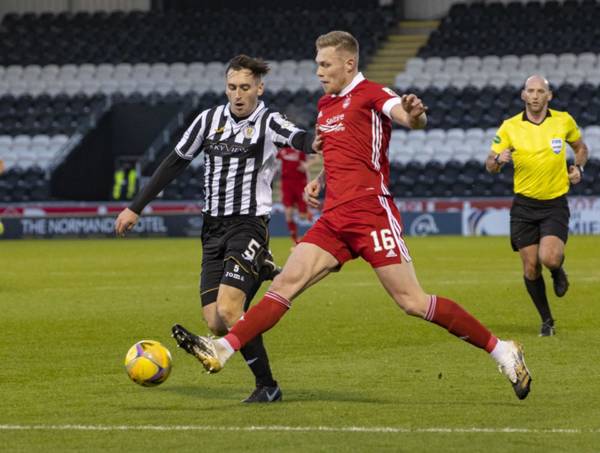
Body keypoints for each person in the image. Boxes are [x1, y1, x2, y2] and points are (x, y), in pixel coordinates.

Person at [172, 31, 532, 400]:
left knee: (412, 301)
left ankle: (501, 349)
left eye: (325, 64)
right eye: (317, 64)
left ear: (348, 64)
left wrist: (414, 114)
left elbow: (405, 117)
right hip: (333, 218)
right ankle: (223, 348)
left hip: (370, 212)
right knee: (285, 284)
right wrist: (321, 180)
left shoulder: (373, 94)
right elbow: (344, 151)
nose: (318, 71)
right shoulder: (326, 105)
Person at [115, 54, 317, 403]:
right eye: (231, 87)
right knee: (215, 322)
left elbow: (300, 138)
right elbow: (175, 161)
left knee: (228, 309)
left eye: (244, 88)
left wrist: (324, 139)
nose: (237, 95)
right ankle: (261, 268)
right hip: (212, 230)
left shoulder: (269, 121)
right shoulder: (208, 119)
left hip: (248, 225)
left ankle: (267, 386)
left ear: (259, 88)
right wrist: (135, 207)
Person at [486, 75, 589, 337]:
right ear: (523, 95)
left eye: (539, 91)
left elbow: (580, 148)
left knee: (549, 257)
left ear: (549, 95)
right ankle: (546, 320)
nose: (534, 95)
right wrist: (499, 159)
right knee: (531, 266)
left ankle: (557, 270)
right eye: (530, 91)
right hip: (524, 206)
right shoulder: (509, 127)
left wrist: (578, 168)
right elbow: (490, 165)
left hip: (554, 203)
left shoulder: (563, 120)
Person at [276, 146, 315, 244]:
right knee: (288, 213)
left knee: (302, 216)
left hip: (300, 183)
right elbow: (276, 162)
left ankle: (307, 213)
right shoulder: (282, 151)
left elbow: (315, 156)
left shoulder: (300, 147)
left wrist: (307, 165)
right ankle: (295, 240)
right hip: (286, 184)